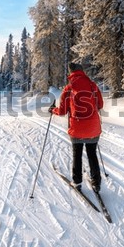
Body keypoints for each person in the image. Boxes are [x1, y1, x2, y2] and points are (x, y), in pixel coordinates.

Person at [49, 63, 104, 192]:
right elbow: (100, 105)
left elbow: (62, 111)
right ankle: (96, 183)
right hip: (93, 128)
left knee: (77, 155)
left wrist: (53, 110)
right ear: (82, 71)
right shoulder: (92, 85)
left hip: (76, 128)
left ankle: (77, 182)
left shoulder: (69, 89)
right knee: (92, 154)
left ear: (71, 73)